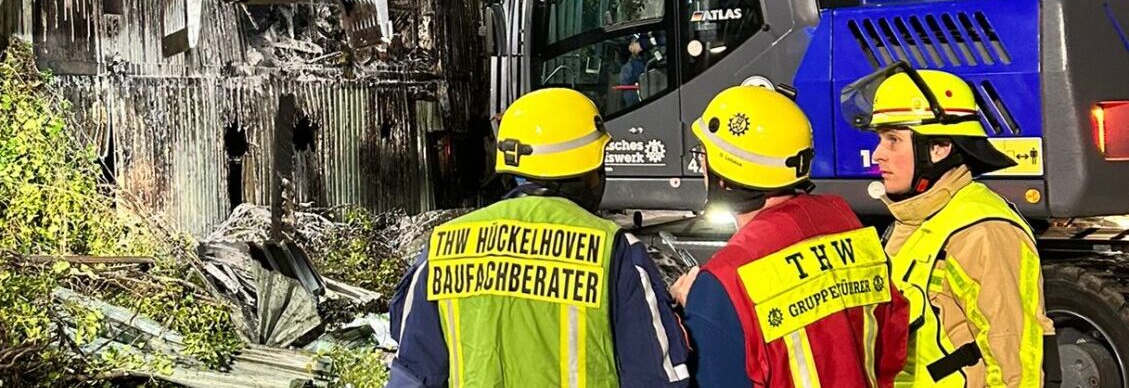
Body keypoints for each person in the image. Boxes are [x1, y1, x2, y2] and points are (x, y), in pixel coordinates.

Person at [386, 87, 690, 388]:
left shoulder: (443, 247)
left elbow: (411, 376)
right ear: (588, 172)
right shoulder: (614, 250)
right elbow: (657, 378)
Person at [669, 85, 909, 388]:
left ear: (724, 175)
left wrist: (690, 316)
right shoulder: (846, 223)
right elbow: (893, 342)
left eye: (703, 154)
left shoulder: (723, 282)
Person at [844, 64, 1058, 388]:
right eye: (880, 139)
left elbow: (1015, 361)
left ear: (939, 147)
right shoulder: (913, 219)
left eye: (893, 140)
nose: (877, 155)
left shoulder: (982, 231)